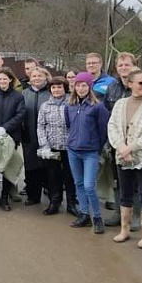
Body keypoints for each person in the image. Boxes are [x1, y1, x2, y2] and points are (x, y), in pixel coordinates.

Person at [107, 70, 142, 247]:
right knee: (125, 193)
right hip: (122, 155)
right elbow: (112, 126)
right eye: (141, 83)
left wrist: (131, 147)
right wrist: (121, 147)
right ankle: (125, 230)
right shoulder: (120, 104)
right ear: (130, 84)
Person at [65, 72, 110, 233]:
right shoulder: (69, 106)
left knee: (89, 186)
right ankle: (84, 214)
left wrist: (96, 147)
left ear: (89, 86)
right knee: (79, 184)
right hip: (73, 150)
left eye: (84, 85)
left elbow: (103, 130)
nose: (80, 88)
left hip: (90, 151)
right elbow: (69, 125)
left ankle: (97, 217)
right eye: (77, 85)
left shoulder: (97, 106)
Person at [0, 67, 25, 211]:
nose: (2, 81)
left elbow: (20, 115)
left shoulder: (18, 96)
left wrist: (5, 128)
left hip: (11, 136)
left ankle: (4, 197)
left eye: (5, 78)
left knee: (7, 166)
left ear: (10, 80)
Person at [36, 77, 79, 216]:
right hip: (51, 146)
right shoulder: (45, 106)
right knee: (53, 176)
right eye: (53, 87)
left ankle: (72, 203)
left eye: (59, 87)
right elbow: (41, 126)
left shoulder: (73, 103)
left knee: (70, 176)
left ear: (64, 88)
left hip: (69, 146)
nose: (56, 90)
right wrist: (44, 145)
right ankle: (55, 201)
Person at [21, 66, 51, 206]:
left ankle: (52, 196)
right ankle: (33, 196)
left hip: (48, 137)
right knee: (31, 167)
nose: (36, 78)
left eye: (40, 76)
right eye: (34, 76)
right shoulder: (24, 93)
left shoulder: (51, 93)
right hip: (29, 136)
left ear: (46, 77)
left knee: (49, 168)